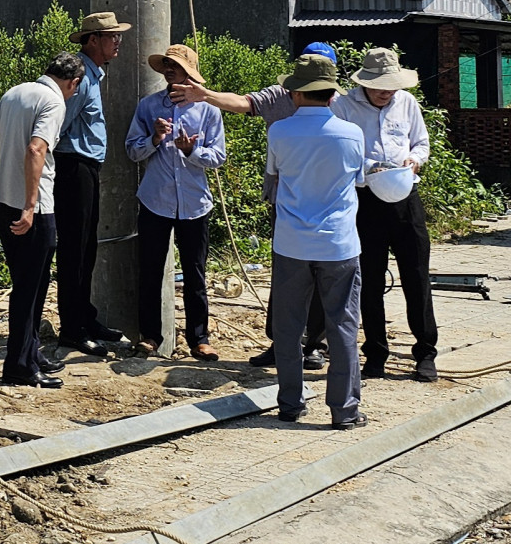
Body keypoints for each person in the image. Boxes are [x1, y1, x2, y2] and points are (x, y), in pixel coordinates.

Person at [169, 41, 342, 369]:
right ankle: (282, 342)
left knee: (323, 275)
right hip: (286, 202)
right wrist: (204, 95)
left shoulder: (341, 106)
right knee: (286, 274)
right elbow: (244, 102)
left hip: (328, 204)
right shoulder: (281, 95)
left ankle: (315, 345)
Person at [265, 53, 370, 428]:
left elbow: (275, 175)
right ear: (331, 95)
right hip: (339, 244)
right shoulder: (352, 133)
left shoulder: (279, 131)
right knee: (342, 325)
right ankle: (344, 411)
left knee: (289, 327)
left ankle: (290, 404)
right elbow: (359, 180)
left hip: (292, 242)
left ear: (295, 93)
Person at [0, 51, 86, 389]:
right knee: (28, 286)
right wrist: (30, 203)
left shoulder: (17, 91)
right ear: (73, 83)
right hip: (33, 208)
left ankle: (30, 352)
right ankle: (18, 365)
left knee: (33, 283)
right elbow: (36, 149)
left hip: (5, 199)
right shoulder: (54, 102)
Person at [329, 47, 439, 382]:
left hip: (405, 197)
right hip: (365, 201)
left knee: (417, 275)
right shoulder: (344, 106)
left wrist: (414, 159)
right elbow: (339, 151)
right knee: (370, 281)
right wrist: (368, 167)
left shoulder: (407, 103)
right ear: (364, 82)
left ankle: (425, 353)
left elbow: (421, 143)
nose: (385, 92)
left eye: (390, 85)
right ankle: (375, 353)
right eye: (379, 86)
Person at [125, 44, 227, 359]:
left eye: (176, 67)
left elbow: (218, 156)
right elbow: (132, 150)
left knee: (195, 272)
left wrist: (190, 151)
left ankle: (199, 338)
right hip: (156, 200)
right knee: (151, 270)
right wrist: (154, 139)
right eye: (167, 66)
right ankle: (150, 337)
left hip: (195, 204)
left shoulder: (209, 109)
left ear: (189, 73)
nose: (170, 70)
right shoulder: (148, 106)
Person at [54, 12, 132, 357]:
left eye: (117, 36)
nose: (117, 41)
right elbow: (59, 123)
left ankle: (85, 318)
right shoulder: (80, 77)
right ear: (91, 40)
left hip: (85, 167)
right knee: (74, 249)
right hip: (73, 166)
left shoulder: (93, 75)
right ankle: (71, 328)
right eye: (110, 36)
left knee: (86, 247)